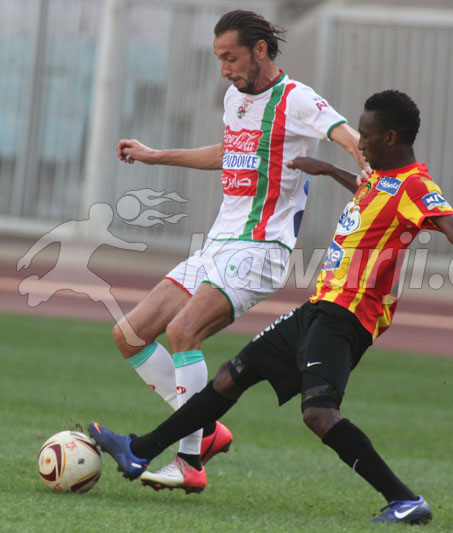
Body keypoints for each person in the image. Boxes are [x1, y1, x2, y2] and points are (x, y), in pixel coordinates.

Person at [90, 90, 453, 524]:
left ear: (391, 138)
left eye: (367, 135)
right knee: (231, 376)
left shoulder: (415, 184)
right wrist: (329, 169)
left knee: (318, 413)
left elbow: (452, 227)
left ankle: (406, 500)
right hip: (320, 306)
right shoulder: (380, 176)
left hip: (348, 315)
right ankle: (139, 451)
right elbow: (370, 191)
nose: (360, 142)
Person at [111, 10, 366, 493]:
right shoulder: (235, 99)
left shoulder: (296, 99)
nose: (224, 69)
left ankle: (190, 462)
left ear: (260, 51)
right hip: (217, 244)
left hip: (261, 249)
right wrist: (156, 154)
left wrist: (364, 159)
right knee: (129, 335)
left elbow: (345, 134)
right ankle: (205, 428)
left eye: (230, 57)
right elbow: (230, 153)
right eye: (219, 59)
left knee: (182, 331)